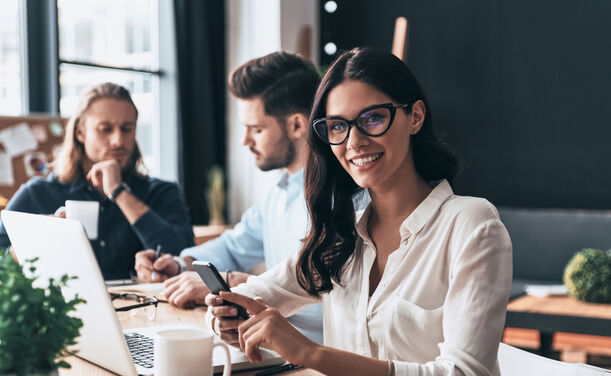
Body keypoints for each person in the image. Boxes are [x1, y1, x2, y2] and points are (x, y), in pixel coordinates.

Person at [206, 47, 513, 376]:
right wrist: (223, 315)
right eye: (338, 126)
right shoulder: (340, 236)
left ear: (416, 117)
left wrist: (310, 352)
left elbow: (464, 373)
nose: (354, 142)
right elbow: (252, 294)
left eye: (373, 118)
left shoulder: (472, 225)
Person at [134, 51, 324, 343]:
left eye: (256, 129)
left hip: (316, 355)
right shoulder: (279, 192)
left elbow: (331, 296)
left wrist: (232, 284)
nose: (244, 140)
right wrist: (177, 264)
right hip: (272, 346)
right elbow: (235, 247)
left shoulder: (340, 198)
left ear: (297, 125)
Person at [0, 83, 194, 280]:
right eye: (105, 129)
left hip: (143, 309)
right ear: (80, 133)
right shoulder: (37, 194)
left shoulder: (162, 192)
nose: (118, 140)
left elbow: (183, 257)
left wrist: (118, 192)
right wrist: (29, 244)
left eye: (127, 129)